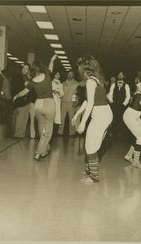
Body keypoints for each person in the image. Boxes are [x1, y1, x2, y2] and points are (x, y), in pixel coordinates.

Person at [72, 55, 113, 184]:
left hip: (101, 115)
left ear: (83, 69)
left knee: (90, 146)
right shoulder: (96, 79)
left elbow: (90, 104)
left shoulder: (90, 81)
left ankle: (94, 176)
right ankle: (90, 171)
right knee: (93, 144)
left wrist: (83, 123)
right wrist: (77, 114)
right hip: (105, 114)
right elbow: (89, 100)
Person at [13, 54, 57, 161]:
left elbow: (24, 92)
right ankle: (38, 152)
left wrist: (16, 96)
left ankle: (46, 149)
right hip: (49, 103)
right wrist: (52, 59)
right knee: (48, 131)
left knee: (41, 128)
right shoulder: (47, 75)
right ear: (41, 67)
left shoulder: (32, 81)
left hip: (38, 105)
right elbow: (51, 66)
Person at [107, 72, 131, 137]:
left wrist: (124, 104)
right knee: (114, 119)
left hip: (122, 106)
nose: (120, 76)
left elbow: (128, 96)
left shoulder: (126, 85)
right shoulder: (113, 85)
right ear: (117, 76)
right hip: (114, 105)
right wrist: (111, 102)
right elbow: (110, 95)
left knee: (122, 120)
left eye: (121, 74)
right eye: (119, 74)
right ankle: (114, 135)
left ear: (124, 76)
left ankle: (123, 135)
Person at [58, 71, 79, 136]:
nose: (70, 75)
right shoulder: (63, 83)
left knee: (71, 118)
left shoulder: (76, 83)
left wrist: (76, 102)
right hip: (63, 102)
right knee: (61, 118)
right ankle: (60, 132)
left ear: (73, 75)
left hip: (71, 103)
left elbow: (77, 94)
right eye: (68, 74)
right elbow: (60, 93)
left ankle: (72, 132)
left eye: (71, 74)